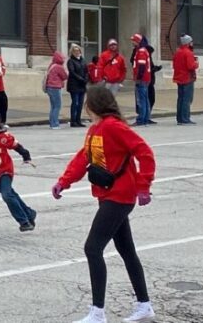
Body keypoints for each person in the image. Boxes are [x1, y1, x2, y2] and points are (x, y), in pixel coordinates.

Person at [53, 86, 157, 323]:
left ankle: (97, 312)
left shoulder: (113, 126)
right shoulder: (95, 129)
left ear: (93, 104)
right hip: (107, 194)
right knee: (126, 250)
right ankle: (144, 305)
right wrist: (64, 181)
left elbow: (145, 152)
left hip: (119, 196)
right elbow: (84, 158)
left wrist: (144, 185)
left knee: (92, 248)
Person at [172, 34, 199, 125]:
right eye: (191, 42)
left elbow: (174, 65)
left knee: (180, 98)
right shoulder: (188, 53)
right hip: (187, 78)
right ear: (188, 43)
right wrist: (196, 63)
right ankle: (185, 118)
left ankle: (179, 118)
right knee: (187, 99)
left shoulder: (178, 52)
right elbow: (191, 66)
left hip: (179, 77)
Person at [131, 35, 153, 126]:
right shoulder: (143, 51)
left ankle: (141, 119)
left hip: (142, 79)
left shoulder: (141, 52)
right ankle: (146, 118)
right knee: (145, 99)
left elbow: (141, 66)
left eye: (133, 41)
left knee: (141, 99)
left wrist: (138, 78)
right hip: (146, 78)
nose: (132, 43)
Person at [44, 51, 68, 129]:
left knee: (53, 106)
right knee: (57, 106)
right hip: (55, 87)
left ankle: (52, 122)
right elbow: (65, 76)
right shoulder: (59, 67)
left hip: (49, 87)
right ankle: (55, 124)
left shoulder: (52, 65)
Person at [67, 44, 88, 128]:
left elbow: (86, 71)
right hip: (74, 85)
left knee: (80, 103)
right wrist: (81, 79)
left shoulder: (83, 60)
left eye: (78, 51)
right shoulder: (71, 61)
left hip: (82, 85)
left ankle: (78, 120)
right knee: (75, 103)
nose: (77, 52)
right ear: (72, 52)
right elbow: (72, 72)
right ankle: (73, 120)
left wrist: (86, 78)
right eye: (75, 51)